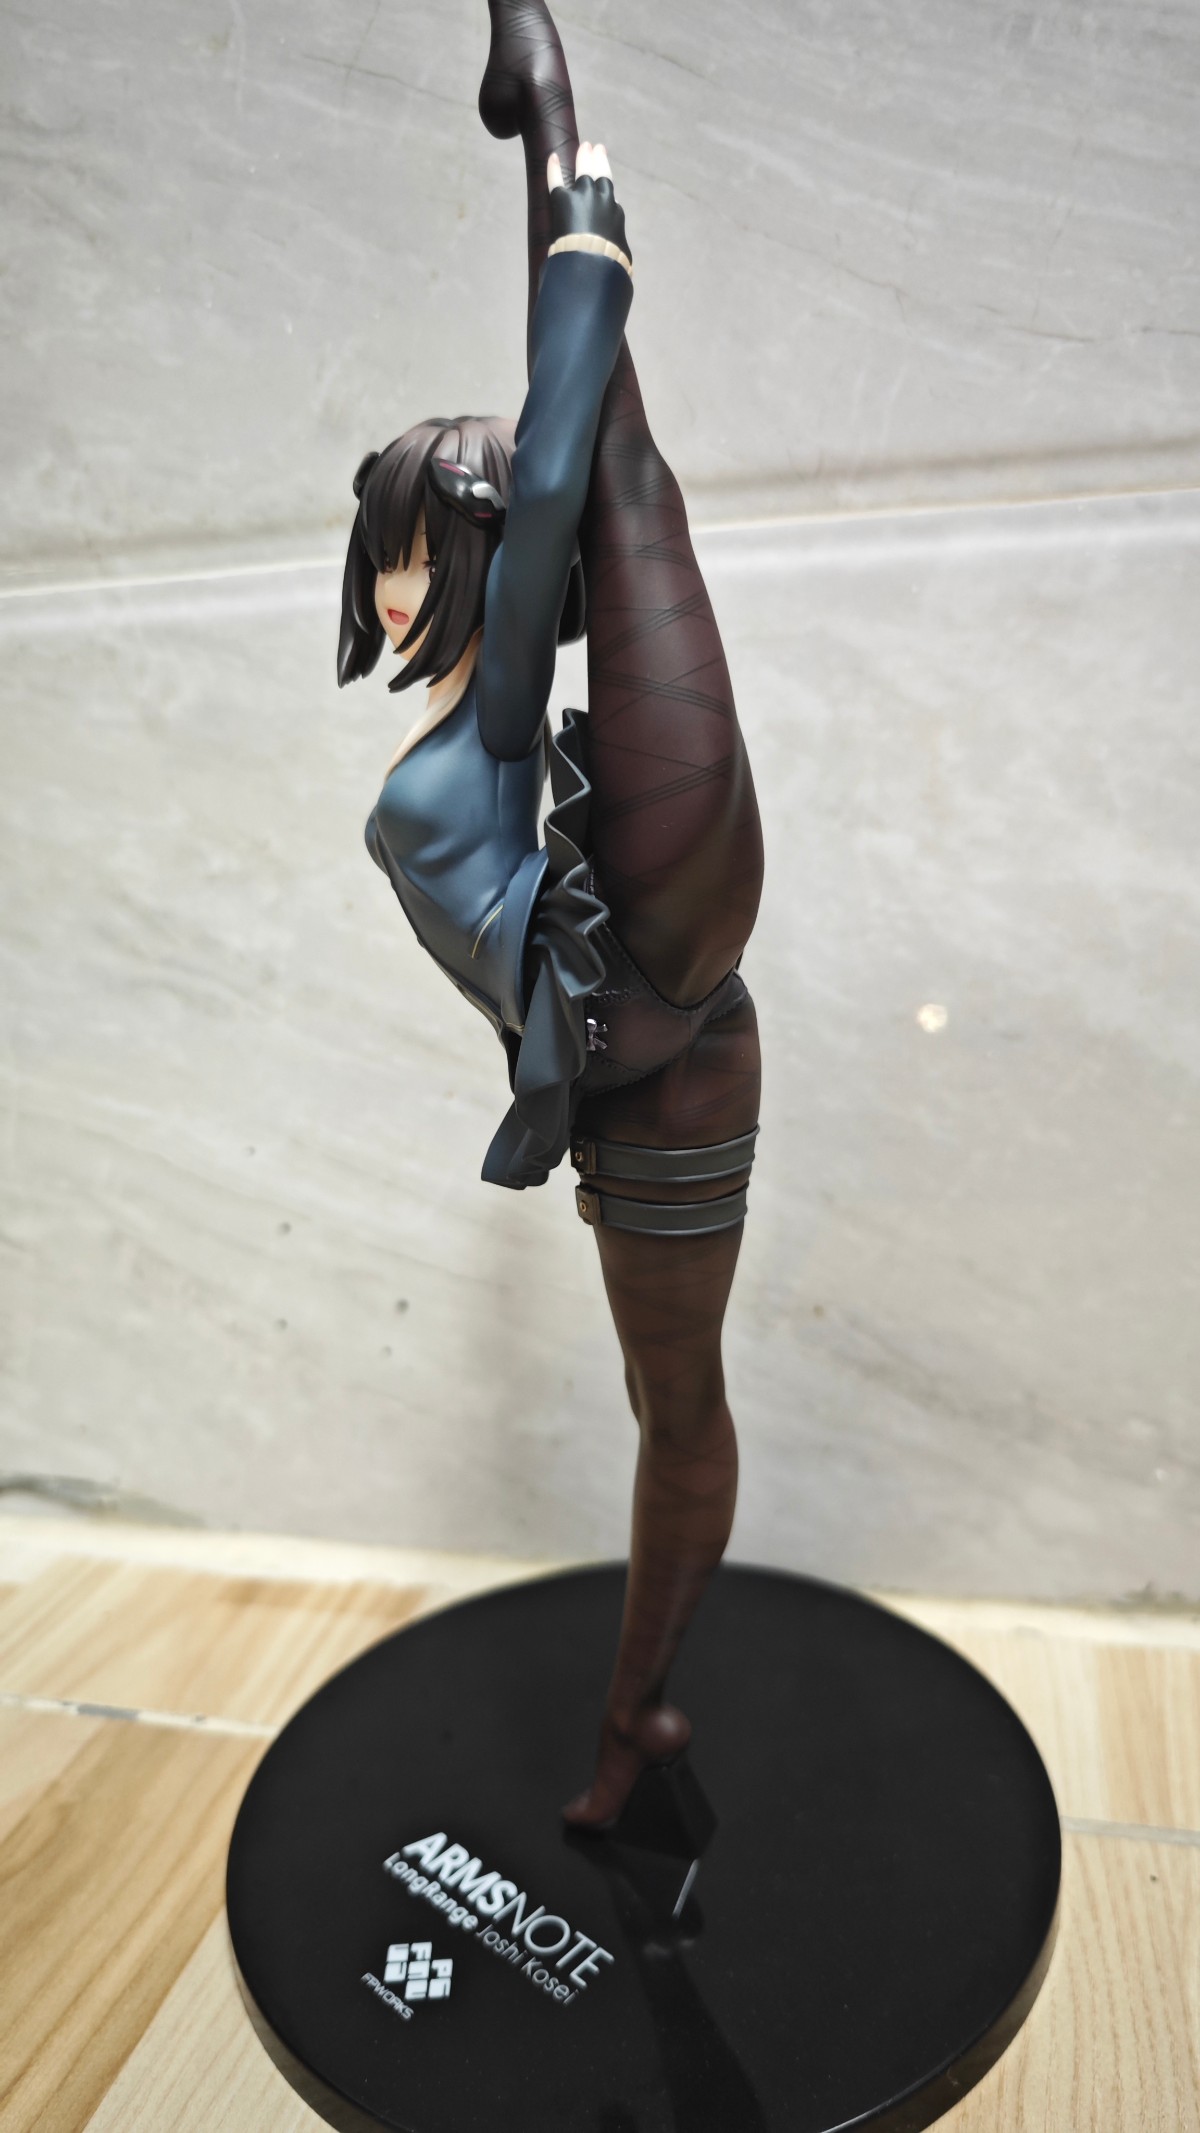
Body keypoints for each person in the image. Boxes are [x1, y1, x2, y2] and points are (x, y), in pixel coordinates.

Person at [338, 0, 764, 1829]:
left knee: (624, 484)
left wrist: (583, 249)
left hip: (665, 963)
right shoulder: (455, 749)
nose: (412, 581)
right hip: (644, 1039)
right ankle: (633, 1713)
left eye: (442, 539)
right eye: (405, 545)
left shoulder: (498, 720)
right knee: (678, 1404)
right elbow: (553, 483)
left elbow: (564, 478)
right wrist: (582, 263)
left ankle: (551, 108)